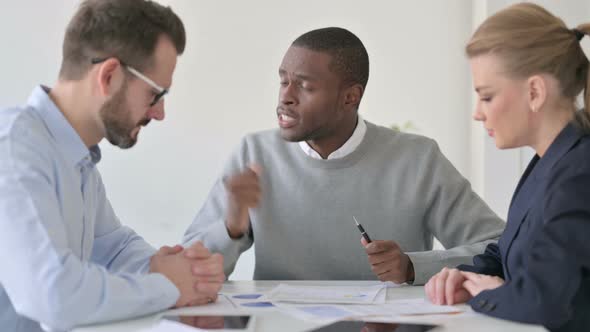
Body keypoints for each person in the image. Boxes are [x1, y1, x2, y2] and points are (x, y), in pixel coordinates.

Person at [184, 27, 505, 285]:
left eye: (305, 87)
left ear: (350, 97)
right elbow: (188, 270)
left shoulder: (418, 159)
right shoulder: (254, 154)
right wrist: (231, 227)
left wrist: (413, 266)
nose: (286, 97)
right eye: (283, 81)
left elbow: (499, 248)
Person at [0, 1, 224, 331]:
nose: (159, 113)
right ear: (108, 76)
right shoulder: (15, 149)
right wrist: (169, 286)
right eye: (155, 94)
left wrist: (176, 267)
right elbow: (52, 294)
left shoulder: (76, 158)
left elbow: (113, 248)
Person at [425, 3, 590, 331]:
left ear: (534, 92)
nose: (477, 112)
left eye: (486, 97)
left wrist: (486, 294)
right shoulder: (550, 161)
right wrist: (464, 275)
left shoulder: (579, 173)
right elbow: (510, 251)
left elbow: (547, 301)